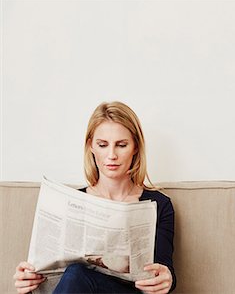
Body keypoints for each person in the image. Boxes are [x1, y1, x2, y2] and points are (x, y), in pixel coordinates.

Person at [13, 101, 176, 294]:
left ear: (135, 147)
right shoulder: (70, 202)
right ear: (91, 146)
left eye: (121, 145)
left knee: (76, 274)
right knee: (75, 274)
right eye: (103, 145)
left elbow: (165, 268)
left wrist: (168, 279)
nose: (112, 155)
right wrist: (29, 281)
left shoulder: (159, 204)